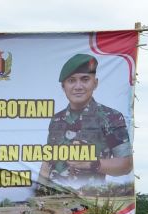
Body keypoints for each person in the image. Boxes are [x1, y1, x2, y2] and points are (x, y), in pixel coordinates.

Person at [39, 53, 133, 190]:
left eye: (85, 79)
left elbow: (126, 165)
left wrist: (92, 163)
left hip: (91, 199)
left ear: (95, 83)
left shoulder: (110, 117)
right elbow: (47, 163)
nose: (78, 86)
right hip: (54, 199)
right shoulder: (56, 119)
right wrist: (37, 193)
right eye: (71, 80)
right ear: (63, 86)